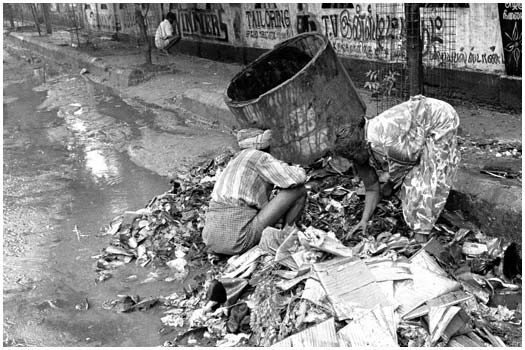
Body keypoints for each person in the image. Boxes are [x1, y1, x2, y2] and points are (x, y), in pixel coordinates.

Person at [334, 95, 460, 243]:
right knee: (403, 183)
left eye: (350, 158)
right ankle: (418, 221)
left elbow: (412, 159)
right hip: (417, 127)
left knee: (427, 177)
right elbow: (372, 187)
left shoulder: (383, 142)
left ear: (358, 149)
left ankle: (421, 232)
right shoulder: (360, 150)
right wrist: (363, 220)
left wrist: (391, 184)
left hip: (439, 118)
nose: (350, 162)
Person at [202, 128, 308, 255]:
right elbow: (296, 178)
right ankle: (287, 236)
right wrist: (300, 169)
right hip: (238, 241)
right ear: (265, 146)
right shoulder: (258, 157)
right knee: (298, 190)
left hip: (210, 239)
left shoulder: (235, 160)